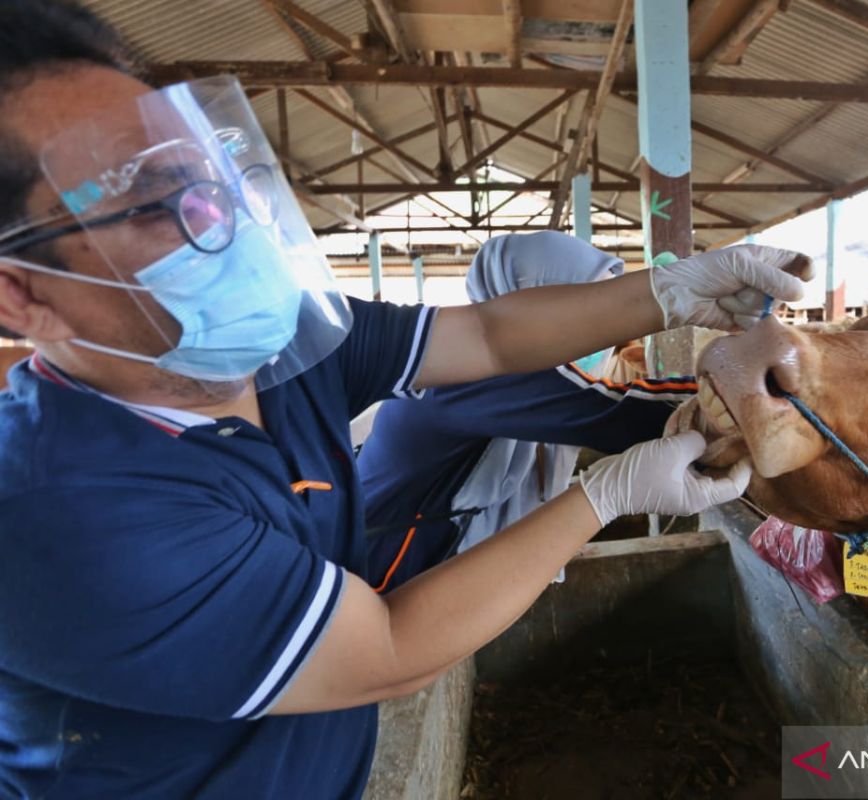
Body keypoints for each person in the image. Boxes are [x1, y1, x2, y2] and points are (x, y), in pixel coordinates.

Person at [0, 3, 807, 797]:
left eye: (205, 182)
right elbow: (388, 648)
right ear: (19, 294)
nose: (217, 226)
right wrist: (612, 493)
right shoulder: (66, 515)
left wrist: (668, 291)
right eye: (146, 205)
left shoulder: (286, 347)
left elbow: (489, 335)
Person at [357, 231, 697, 591]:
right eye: (589, 311)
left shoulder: (500, 373)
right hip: (379, 569)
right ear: (529, 304)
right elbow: (615, 414)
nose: (603, 333)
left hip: (428, 556)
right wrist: (726, 395)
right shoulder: (467, 371)